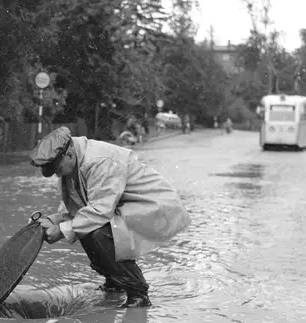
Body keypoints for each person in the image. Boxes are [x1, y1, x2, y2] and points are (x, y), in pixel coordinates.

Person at [29, 126, 191, 308]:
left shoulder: (99, 162)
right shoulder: (73, 164)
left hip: (152, 204)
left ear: (69, 155)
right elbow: (75, 209)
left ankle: (138, 293)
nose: (57, 175)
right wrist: (53, 220)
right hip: (120, 205)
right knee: (83, 227)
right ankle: (115, 283)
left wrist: (60, 231)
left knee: (98, 232)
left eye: (58, 169)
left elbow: (99, 211)